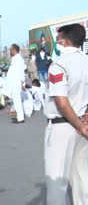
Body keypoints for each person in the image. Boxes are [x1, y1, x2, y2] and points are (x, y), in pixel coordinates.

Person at [44, 23, 88, 205]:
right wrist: (84, 124)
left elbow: (61, 103)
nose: (57, 42)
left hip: (63, 127)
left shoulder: (59, 65)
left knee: (57, 182)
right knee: (82, 178)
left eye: (59, 39)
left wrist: (79, 125)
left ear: (65, 40)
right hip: (83, 128)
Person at [1, 44, 25, 123]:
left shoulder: (19, 59)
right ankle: (19, 116)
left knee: (17, 100)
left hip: (16, 83)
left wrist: (22, 83)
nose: (9, 51)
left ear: (14, 50)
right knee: (15, 100)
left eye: (10, 50)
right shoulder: (15, 58)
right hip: (13, 83)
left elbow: (21, 72)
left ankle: (20, 118)